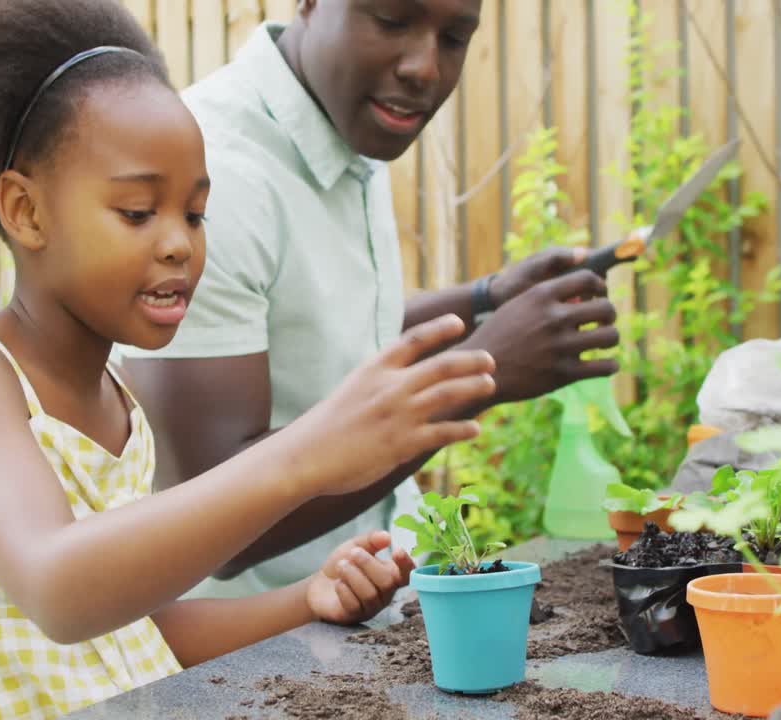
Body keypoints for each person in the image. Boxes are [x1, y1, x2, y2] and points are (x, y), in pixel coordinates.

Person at [0, 1, 500, 717]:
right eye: (138, 213)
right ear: (27, 211)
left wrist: (305, 599)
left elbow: (132, 629)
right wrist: (305, 455)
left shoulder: (116, 401)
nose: (179, 244)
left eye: (195, 214)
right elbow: (59, 592)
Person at [115, 0, 621, 600]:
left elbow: (327, 324)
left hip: (370, 620)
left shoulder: (340, 117)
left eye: (455, 38)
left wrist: (488, 297)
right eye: (392, 20)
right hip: (244, 664)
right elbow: (212, 531)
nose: (425, 68)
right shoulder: (216, 177)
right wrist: (484, 372)